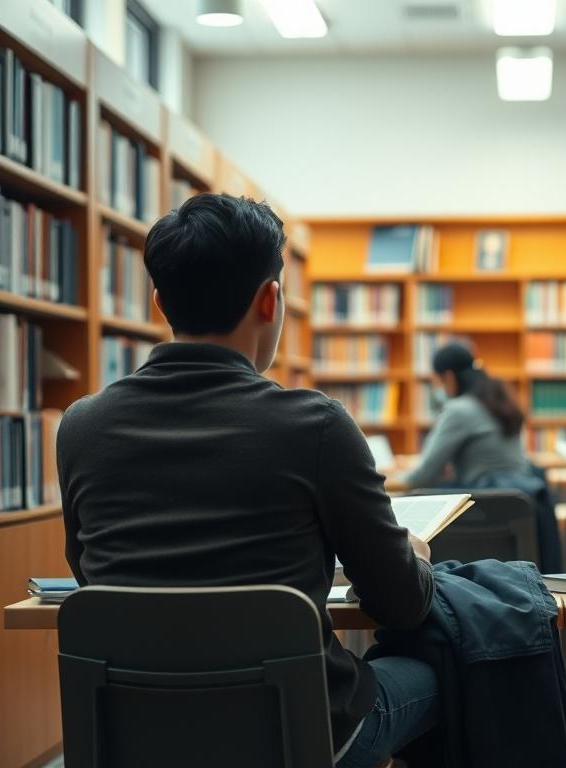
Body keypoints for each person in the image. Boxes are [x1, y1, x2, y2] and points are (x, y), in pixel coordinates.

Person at [57, 194, 439, 768]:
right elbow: (401, 605)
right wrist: (418, 556)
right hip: (292, 731)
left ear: (160, 301)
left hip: (138, 725)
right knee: (443, 674)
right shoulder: (317, 426)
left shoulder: (80, 427)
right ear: (271, 298)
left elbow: (89, 572)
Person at [404, 342, 563, 572]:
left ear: (448, 377)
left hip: (485, 510)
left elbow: (421, 476)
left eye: (436, 381)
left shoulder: (459, 409)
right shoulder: (499, 399)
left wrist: (387, 476)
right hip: (520, 505)